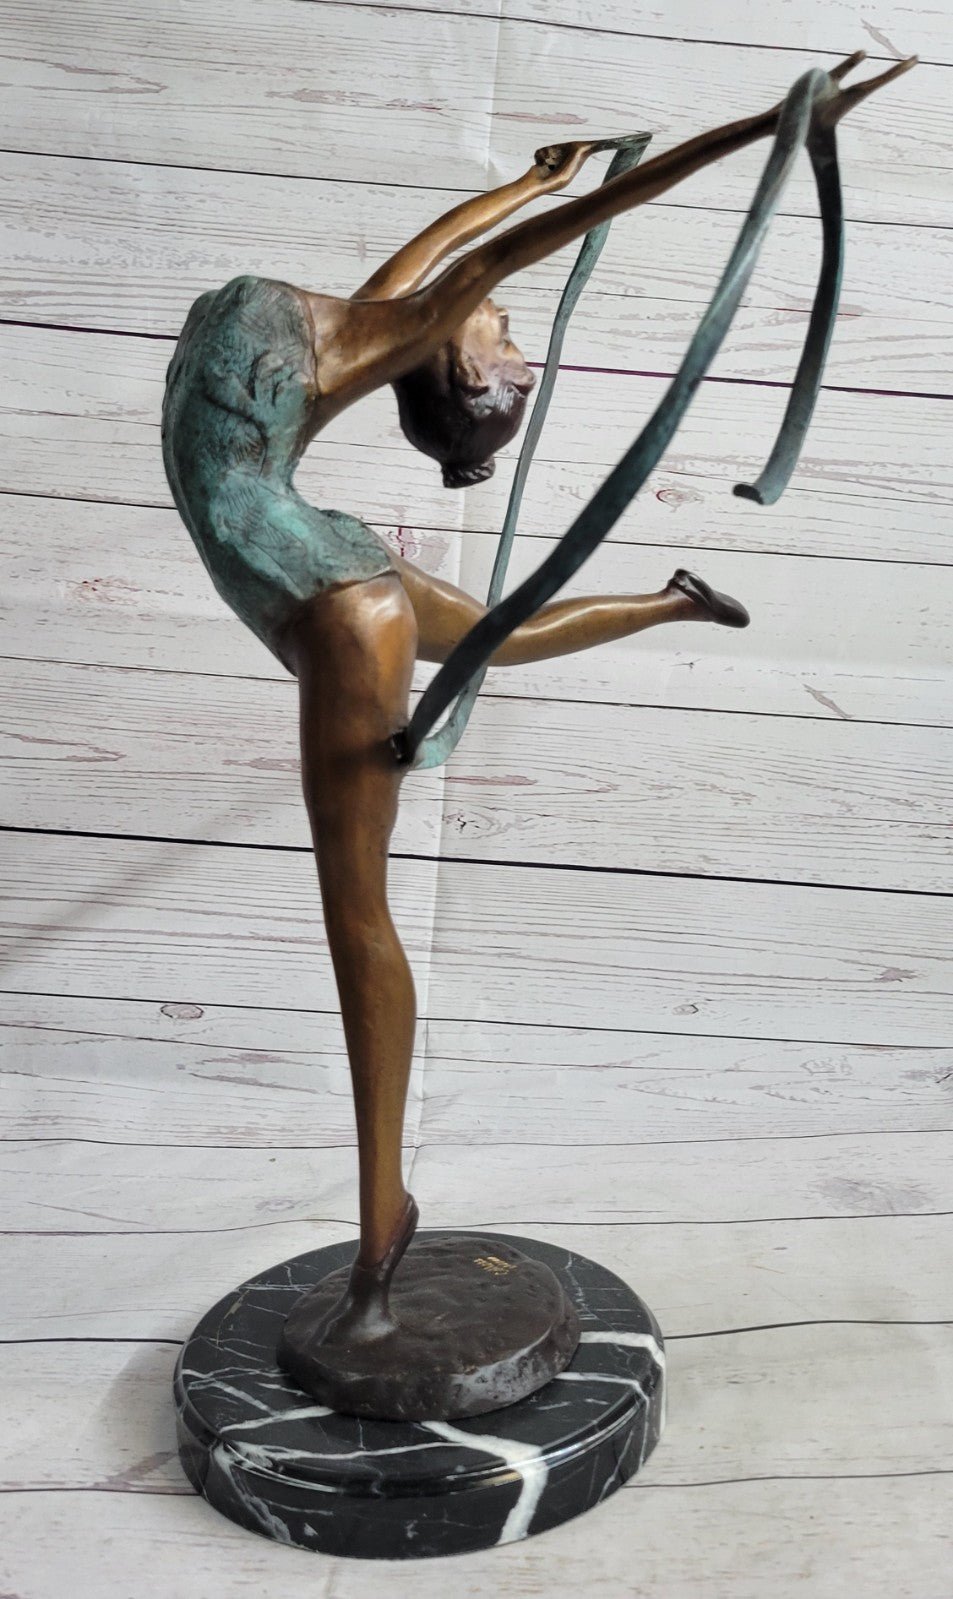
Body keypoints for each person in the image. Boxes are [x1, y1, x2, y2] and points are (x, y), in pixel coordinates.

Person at [162, 53, 911, 1339]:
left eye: (501, 343)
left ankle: (379, 1231)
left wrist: (762, 130)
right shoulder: (357, 327)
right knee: (489, 651)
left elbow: (485, 260)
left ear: (448, 370)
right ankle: (670, 599)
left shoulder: (379, 331)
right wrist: (543, 178)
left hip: (333, 600)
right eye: (506, 340)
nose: (506, 334)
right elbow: (456, 255)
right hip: (323, 573)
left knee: (356, 918)